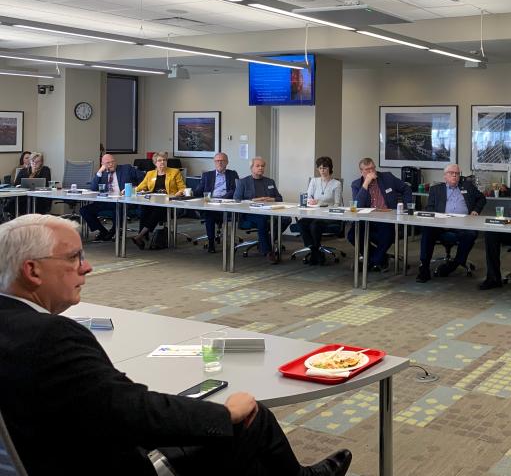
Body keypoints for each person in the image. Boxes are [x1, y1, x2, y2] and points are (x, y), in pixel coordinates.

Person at [0, 214, 352, 476]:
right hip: (98, 463)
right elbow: (134, 413)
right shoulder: (51, 336)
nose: (87, 267)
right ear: (32, 271)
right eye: (74, 257)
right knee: (251, 420)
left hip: (46, 451)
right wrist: (225, 414)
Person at [416, 164, 485, 282]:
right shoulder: (436, 189)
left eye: (457, 173)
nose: (454, 175)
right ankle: (424, 267)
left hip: (463, 225)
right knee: (427, 230)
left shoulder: (467, 186)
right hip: (441, 225)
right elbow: (430, 208)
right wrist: (437, 218)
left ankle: (454, 264)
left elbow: (482, 198)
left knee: (471, 234)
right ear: (445, 176)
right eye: (451, 173)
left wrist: (475, 210)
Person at [348, 157, 412, 271]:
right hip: (366, 220)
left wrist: (406, 208)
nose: (371, 172)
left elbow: (406, 188)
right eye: (367, 170)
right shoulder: (356, 184)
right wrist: (366, 183)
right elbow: (357, 206)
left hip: (387, 218)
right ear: (361, 172)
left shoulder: (387, 177)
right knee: (352, 235)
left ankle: (373, 261)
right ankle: (380, 258)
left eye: (373, 168)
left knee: (387, 234)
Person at [234, 157, 289, 264]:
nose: (261, 168)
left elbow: (279, 198)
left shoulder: (269, 181)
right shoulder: (243, 182)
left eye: (262, 166)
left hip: (269, 211)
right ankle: (268, 251)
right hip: (250, 213)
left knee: (286, 219)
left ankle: (265, 241)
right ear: (251, 168)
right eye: (257, 166)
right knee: (262, 220)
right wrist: (252, 200)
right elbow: (236, 200)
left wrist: (271, 199)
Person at [80, 154, 140, 241]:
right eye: (108, 163)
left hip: (123, 201)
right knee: (84, 210)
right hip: (106, 201)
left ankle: (113, 231)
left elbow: (143, 178)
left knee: (118, 208)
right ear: (103, 164)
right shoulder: (102, 173)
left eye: (113, 161)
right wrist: (100, 171)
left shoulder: (126, 168)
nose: (111, 164)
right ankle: (103, 231)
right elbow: (93, 188)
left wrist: (135, 188)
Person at [132, 151, 186, 250]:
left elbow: (182, 188)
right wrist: (130, 190)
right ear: (155, 163)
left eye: (164, 160)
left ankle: (140, 236)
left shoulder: (174, 172)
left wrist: (178, 193)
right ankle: (143, 236)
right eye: (159, 160)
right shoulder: (150, 174)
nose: (162, 162)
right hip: (153, 202)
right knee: (143, 208)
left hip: (169, 203)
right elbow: (140, 187)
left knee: (158, 210)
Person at [298, 156, 343, 265]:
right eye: (320, 168)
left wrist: (321, 203)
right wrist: (310, 201)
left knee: (314, 225)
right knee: (302, 223)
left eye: (325, 168)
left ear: (330, 169)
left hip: (328, 215)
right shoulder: (314, 181)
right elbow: (308, 198)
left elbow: (338, 204)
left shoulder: (336, 184)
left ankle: (315, 253)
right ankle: (315, 250)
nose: (322, 171)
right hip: (314, 213)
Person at [194, 152, 240, 254]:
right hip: (210, 204)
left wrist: (223, 199)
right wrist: (188, 192)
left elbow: (235, 190)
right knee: (209, 214)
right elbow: (199, 191)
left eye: (222, 160)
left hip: (227, 204)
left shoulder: (233, 174)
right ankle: (211, 242)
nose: (220, 163)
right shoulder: (207, 175)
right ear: (214, 162)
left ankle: (226, 240)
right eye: (217, 161)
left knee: (211, 214)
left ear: (227, 162)